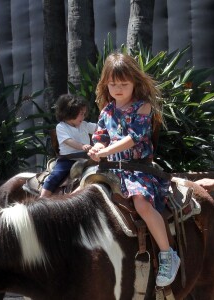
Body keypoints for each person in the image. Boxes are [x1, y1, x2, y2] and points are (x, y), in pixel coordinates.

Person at [88, 52, 180, 287]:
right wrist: (96, 147)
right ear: (105, 84)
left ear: (135, 83)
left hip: (137, 169)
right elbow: (100, 137)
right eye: (113, 84)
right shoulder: (107, 110)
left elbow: (133, 138)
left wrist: (106, 151)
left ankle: (167, 253)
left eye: (123, 84)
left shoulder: (143, 107)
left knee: (141, 203)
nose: (118, 89)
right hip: (111, 171)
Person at [40, 94, 97, 197]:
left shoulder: (84, 125)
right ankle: (42, 197)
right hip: (68, 160)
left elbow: (98, 128)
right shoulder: (61, 127)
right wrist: (82, 146)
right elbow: (68, 141)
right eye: (81, 114)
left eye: (84, 114)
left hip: (86, 159)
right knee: (56, 176)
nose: (83, 117)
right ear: (70, 113)